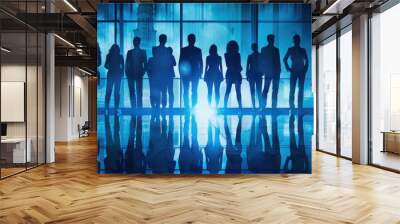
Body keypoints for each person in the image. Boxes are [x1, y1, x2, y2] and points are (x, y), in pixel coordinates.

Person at [283, 34, 309, 109]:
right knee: (298, 89)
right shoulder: (300, 50)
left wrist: (288, 68)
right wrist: (304, 69)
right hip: (298, 71)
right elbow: (307, 61)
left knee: (294, 89)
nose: (296, 41)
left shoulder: (292, 49)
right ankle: (297, 106)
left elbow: (284, 59)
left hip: (295, 71)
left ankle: (293, 106)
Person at [179, 34, 203, 109]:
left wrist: (181, 72)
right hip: (195, 73)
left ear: (188, 40)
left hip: (186, 73)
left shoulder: (184, 50)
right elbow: (201, 62)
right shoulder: (198, 50)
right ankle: (193, 106)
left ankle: (187, 106)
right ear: (194, 40)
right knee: (194, 90)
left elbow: (181, 62)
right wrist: (200, 72)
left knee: (186, 90)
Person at [125, 37, 147, 108]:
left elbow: (145, 64)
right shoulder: (142, 52)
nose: (135, 43)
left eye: (135, 41)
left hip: (135, 74)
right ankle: (136, 107)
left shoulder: (130, 52)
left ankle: (136, 107)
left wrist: (143, 72)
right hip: (134, 74)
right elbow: (127, 64)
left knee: (136, 92)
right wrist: (143, 71)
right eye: (134, 41)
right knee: (135, 92)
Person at [261, 34, 281, 109]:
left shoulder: (264, 49)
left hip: (270, 72)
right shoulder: (275, 50)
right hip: (273, 72)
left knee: (267, 89)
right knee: (272, 90)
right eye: (272, 39)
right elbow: (277, 61)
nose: (273, 40)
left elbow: (262, 61)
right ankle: (272, 106)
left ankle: (264, 106)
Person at [152, 34, 172, 109]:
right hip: (164, 74)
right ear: (165, 40)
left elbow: (155, 60)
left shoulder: (155, 49)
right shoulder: (167, 50)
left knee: (159, 90)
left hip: (158, 73)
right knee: (164, 91)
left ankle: (158, 105)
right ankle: (163, 105)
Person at [104, 44, 124, 110]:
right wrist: (121, 73)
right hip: (118, 75)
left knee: (108, 91)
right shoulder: (120, 56)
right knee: (117, 92)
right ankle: (116, 107)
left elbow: (105, 65)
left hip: (110, 74)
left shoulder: (109, 56)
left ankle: (106, 107)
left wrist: (110, 67)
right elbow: (123, 67)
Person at [224, 40, 242, 109]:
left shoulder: (226, 55)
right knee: (238, 91)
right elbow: (238, 64)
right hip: (236, 73)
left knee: (228, 90)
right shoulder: (237, 55)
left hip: (230, 73)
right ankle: (240, 106)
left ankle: (225, 106)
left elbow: (228, 65)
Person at [246, 43, 263, 109]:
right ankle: (259, 106)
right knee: (258, 90)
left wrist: (247, 74)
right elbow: (262, 65)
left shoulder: (250, 56)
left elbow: (247, 66)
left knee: (253, 91)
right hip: (257, 75)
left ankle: (254, 106)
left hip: (252, 75)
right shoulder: (260, 55)